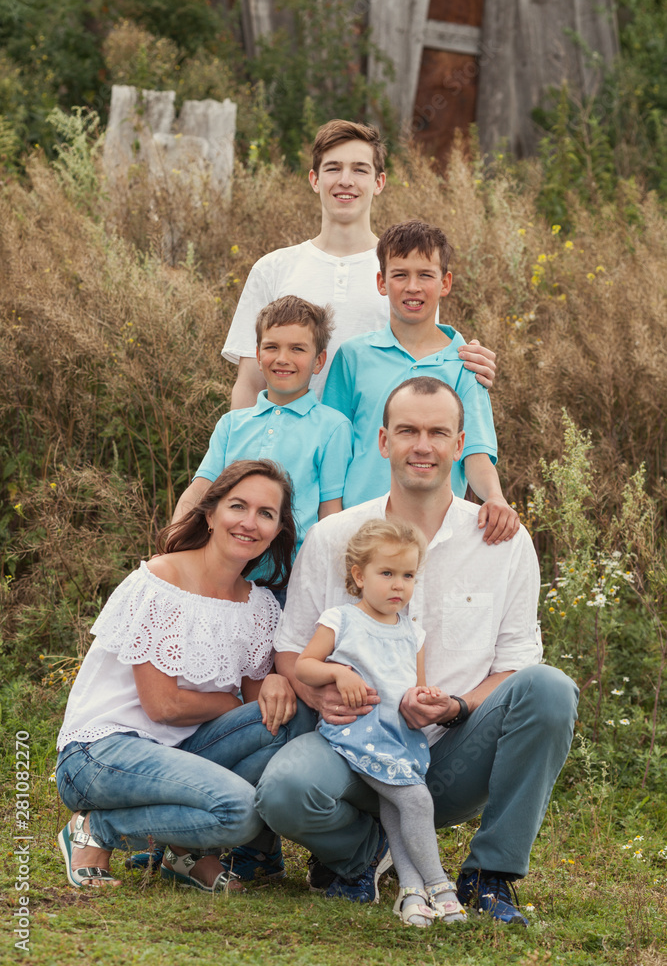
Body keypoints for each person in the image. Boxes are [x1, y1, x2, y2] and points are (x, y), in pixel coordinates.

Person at [254, 377, 579, 925]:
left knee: (550, 687)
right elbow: (290, 650)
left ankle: (490, 874)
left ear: (459, 444)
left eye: (437, 432)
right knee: (285, 792)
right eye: (407, 431)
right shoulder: (336, 536)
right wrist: (322, 686)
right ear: (383, 441)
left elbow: (517, 661)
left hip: (451, 753)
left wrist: (456, 706)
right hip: (355, 745)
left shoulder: (502, 541)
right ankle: (364, 853)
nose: (421, 446)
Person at [55, 460, 315, 891]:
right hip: (102, 753)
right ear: (210, 514)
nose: (250, 523)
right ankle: (95, 829)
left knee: (290, 719)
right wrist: (235, 703)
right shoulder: (161, 581)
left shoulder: (261, 605)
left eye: (266, 514)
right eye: (238, 507)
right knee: (238, 812)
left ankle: (184, 854)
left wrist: (276, 681)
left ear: (277, 530)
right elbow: (164, 705)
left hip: (183, 753)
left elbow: (260, 714)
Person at [221, 119, 497, 408]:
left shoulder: (405, 273)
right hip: (289, 450)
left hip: (377, 447)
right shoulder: (272, 269)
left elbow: (426, 363)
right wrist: (243, 451)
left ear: (378, 182)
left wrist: (468, 366)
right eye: (333, 168)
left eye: (359, 169)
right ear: (315, 180)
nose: (345, 180)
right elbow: (250, 382)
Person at [295, 518, 467, 927]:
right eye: (386, 573)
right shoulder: (341, 619)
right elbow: (304, 666)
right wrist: (339, 673)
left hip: (399, 735)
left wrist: (424, 699)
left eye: (407, 575)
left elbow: (414, 690)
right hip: (360, 732)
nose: (398, 586)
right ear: (359, 575)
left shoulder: (413, 633)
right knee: (416, 799)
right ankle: (440, 886)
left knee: (397, 804)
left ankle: (410, 893)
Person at [322, 219, 517, 544]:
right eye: (400, 275)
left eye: (425, 275)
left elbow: (475, 453)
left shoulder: (465, 362)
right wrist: (331, 527)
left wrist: (495, 497)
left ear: (445, 282)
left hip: (434, 537)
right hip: (360, 535)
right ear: (382, 282)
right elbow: (331, 451)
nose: (413, 286)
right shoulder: (353, 357)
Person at [172, 296, 353, 577]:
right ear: (257, 356)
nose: (283, 359)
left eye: (297, 349)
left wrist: (326, 581)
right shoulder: (231, 424)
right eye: (272, 347)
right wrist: (173, 549)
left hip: (290, 581)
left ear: (319, 361)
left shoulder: (332, 427)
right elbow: (199, 491)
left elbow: (330, 513)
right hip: (224, 575)